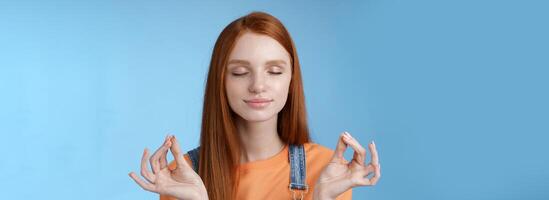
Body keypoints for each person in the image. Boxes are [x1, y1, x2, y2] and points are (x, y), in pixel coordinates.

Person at [128, 11, 381, 200]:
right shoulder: (182, 175)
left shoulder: (327, 168)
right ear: (221, 82)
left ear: (292, 80)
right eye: (239, 72)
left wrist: (321, 197)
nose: (258, 85)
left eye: (274, 71)